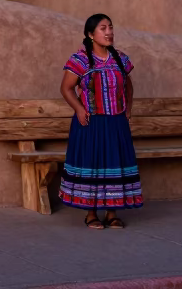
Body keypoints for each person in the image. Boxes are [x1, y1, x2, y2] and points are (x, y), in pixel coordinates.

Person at [58, 13, 144, 229]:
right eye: (103, 28)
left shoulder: (120, 59)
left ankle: (112, 213)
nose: (109, 32)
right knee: (93, 164)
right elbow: (66, 88)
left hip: (116, 122)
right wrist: (79, 109)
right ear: (91, 34)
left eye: (110, 27)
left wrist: (128, 108)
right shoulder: (80, 60)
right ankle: (91, 214)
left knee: (114, 163)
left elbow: (128, 85)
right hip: (91, 123)